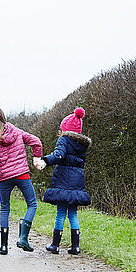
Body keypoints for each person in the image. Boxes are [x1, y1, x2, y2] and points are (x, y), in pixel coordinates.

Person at [0, 106, 43, 255]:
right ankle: (23, 237)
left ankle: (3, 246)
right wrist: (36, 159)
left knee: (4, 208)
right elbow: (36, 142)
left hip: (5, 178)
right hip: (22, 174)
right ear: (3, 116)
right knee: (32, 204)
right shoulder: (17, 131)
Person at [38, 107, 92, 255]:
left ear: (65, 129)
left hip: (63, 180)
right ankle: (76, 247)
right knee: (73, 214)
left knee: (61, 213)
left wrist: (45, 160)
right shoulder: (82, 144)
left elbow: (59, 156)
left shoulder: (64, 140)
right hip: (77, 180)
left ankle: (55, 245)